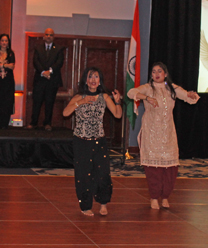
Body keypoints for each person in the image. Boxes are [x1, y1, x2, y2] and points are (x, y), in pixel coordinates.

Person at [127, 62, 199, 210]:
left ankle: (165, 197)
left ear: (165, 73)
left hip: (168, 133)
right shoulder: (147, 87)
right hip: (151, 132)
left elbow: (188, 97)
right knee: (153, 167)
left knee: (170, 168)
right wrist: (146, 98)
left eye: (159, 71)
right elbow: (131, 93)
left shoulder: (172, 88)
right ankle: (154, 197)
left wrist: (191, 94)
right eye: (154, 72)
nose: (156, 74)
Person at [63, 67, 122, 216]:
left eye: (96, 77)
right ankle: (86, 206)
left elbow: (117, 115)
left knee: (103, 173)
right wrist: (82, 102)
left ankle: (103, 203)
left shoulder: (104, 97)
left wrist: (117, 102)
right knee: (83, 175)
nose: (93, 80)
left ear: (100, 80)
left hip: (99, 141)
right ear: (86, 80)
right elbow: (65, 113)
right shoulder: (79, 97)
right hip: (81, 142)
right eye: (90, 77)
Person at [25, 28, 64, 131]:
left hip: (52, 80)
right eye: (47, 34)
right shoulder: (38, 48)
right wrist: (43, 72)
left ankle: (47, 123)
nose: (48, 36)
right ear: (43, 36)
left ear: (53, 37)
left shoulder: (59, 48)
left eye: (50, 35)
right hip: (40, 80)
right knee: (36, 102)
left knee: (49, 102)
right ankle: (33, 123)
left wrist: (49, 71)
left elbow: (59, 62)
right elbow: (35, 62)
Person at [0, 34, 16, 129]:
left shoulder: (11, 54)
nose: (4, 43)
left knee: (7, 102)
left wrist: (2, 65)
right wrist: (5, 65)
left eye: (6, 41)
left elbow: (12, 66)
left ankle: (5, 125)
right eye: (2, 40)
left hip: (8, 82)